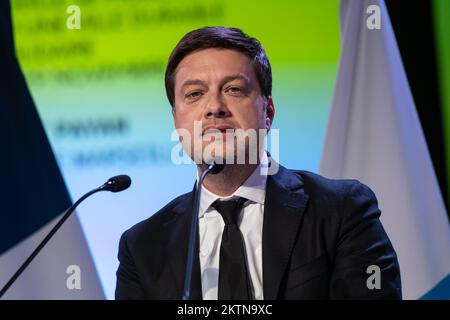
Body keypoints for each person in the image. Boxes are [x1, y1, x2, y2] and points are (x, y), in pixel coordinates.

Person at [115, 26, 402, 300]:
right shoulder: (142, 247)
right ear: (177, 120)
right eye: (194, 94)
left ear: (268, 111)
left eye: (234, 89)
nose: (214, 107)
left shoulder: (341, 211)